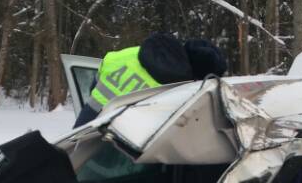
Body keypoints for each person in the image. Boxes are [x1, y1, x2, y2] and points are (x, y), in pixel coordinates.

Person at [74, 33, 228, 126]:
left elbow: (94, 87)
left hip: (84, 126)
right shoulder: (177, 91)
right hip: (118, 146)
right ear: (198, 76)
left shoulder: (130, 53)